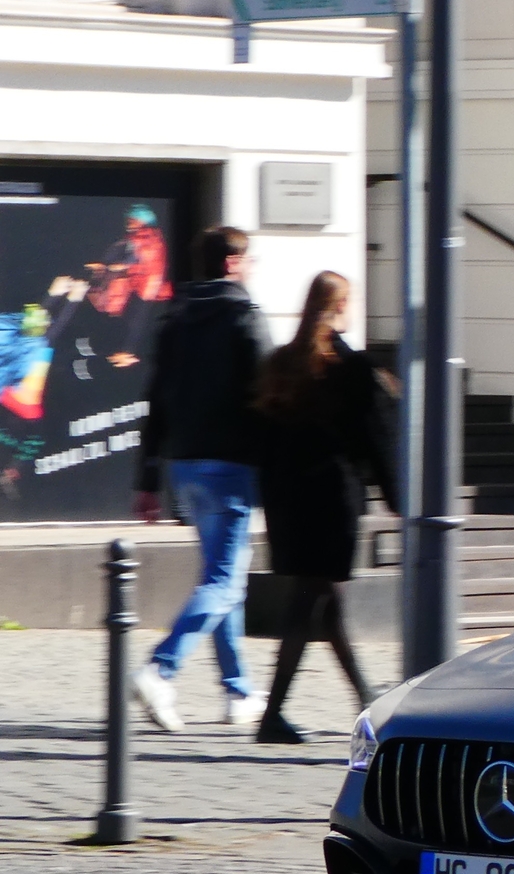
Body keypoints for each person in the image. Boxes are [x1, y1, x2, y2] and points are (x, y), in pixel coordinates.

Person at [129, 227, 269, 733]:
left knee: (221, 578)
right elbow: (267, 395)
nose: (251, 267)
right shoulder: (243, 315)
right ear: (232, 263)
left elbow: (156, 399)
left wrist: (147, 475)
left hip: (184, 465)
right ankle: (160, 669)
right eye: (248, 258)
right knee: (224, 580)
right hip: (232, 465)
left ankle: (239, 692)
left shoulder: (176, 318)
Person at [251, 270, 397, 744]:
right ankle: (272, 715)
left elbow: (265, 437)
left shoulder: (281, 362)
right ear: (340, 307)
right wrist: (399, 497)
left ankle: (366, 700)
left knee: (324, 603)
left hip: (288, 499)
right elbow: (375, 440)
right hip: (331, 498)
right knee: (308, 601)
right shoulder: (351, 368)